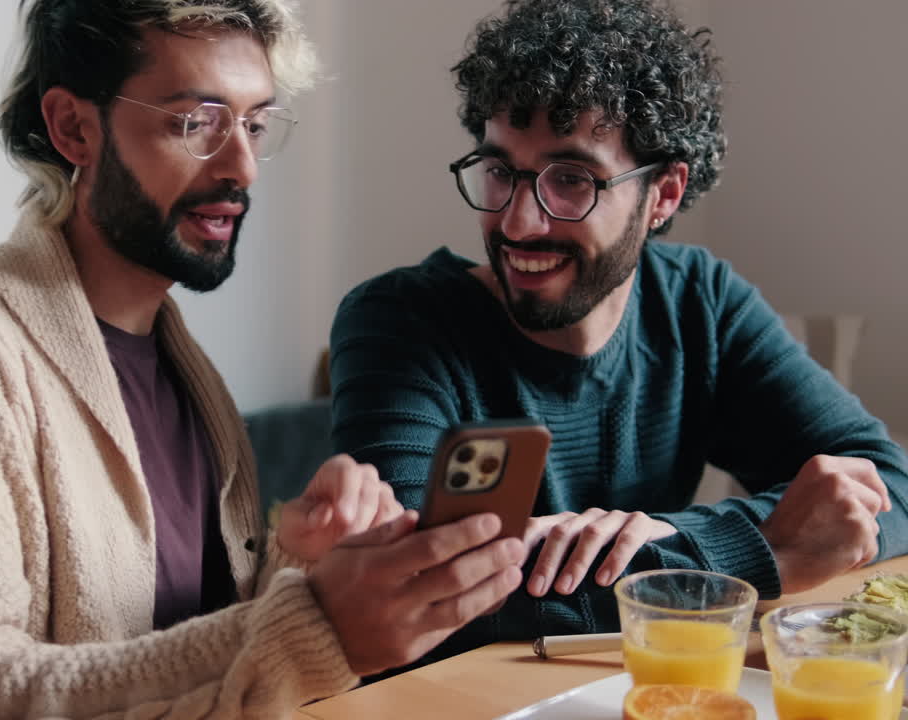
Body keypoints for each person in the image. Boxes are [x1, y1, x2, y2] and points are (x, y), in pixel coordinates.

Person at [0, 1, 529, 717]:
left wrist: (300, 560)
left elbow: (211, 667)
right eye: (196, 122)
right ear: (74, 127)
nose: (244, 167)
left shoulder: (189, 377)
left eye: (255, 124)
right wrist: (317, 625)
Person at [329, 0, 908, 662]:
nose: (519, 223)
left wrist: (664, 534)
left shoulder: (700, 304)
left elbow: (887, 483)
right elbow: (419, 593)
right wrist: (766, 549)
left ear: (662, 194)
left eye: (570, 179)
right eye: (499, 171)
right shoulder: (400, 322)